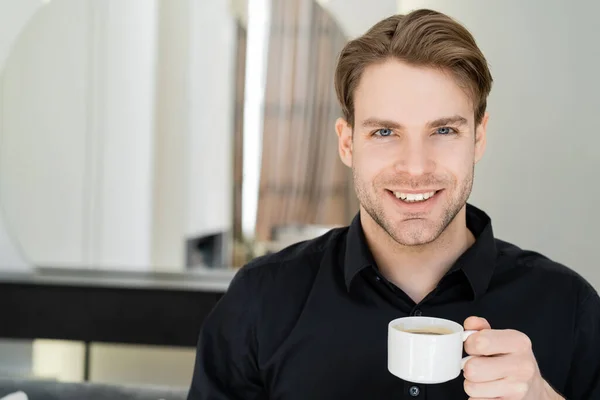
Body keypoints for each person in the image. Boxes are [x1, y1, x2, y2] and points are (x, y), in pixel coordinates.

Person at [187, 9, 599, 400]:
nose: (415, 168)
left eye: (443, 130)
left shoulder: (571, 306)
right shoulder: (260, 301)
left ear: (478, 138)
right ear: (347, 143)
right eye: (385, 132)